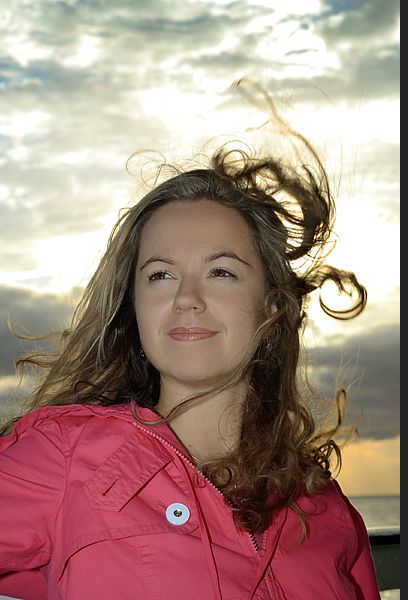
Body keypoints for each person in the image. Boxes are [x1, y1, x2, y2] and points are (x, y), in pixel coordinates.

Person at [0, 89, 380, 599]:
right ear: (133, 309)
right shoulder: (64, 456)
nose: (187, 298)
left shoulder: (323, 506)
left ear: (271, 305)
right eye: (160, 276)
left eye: (221, 271)